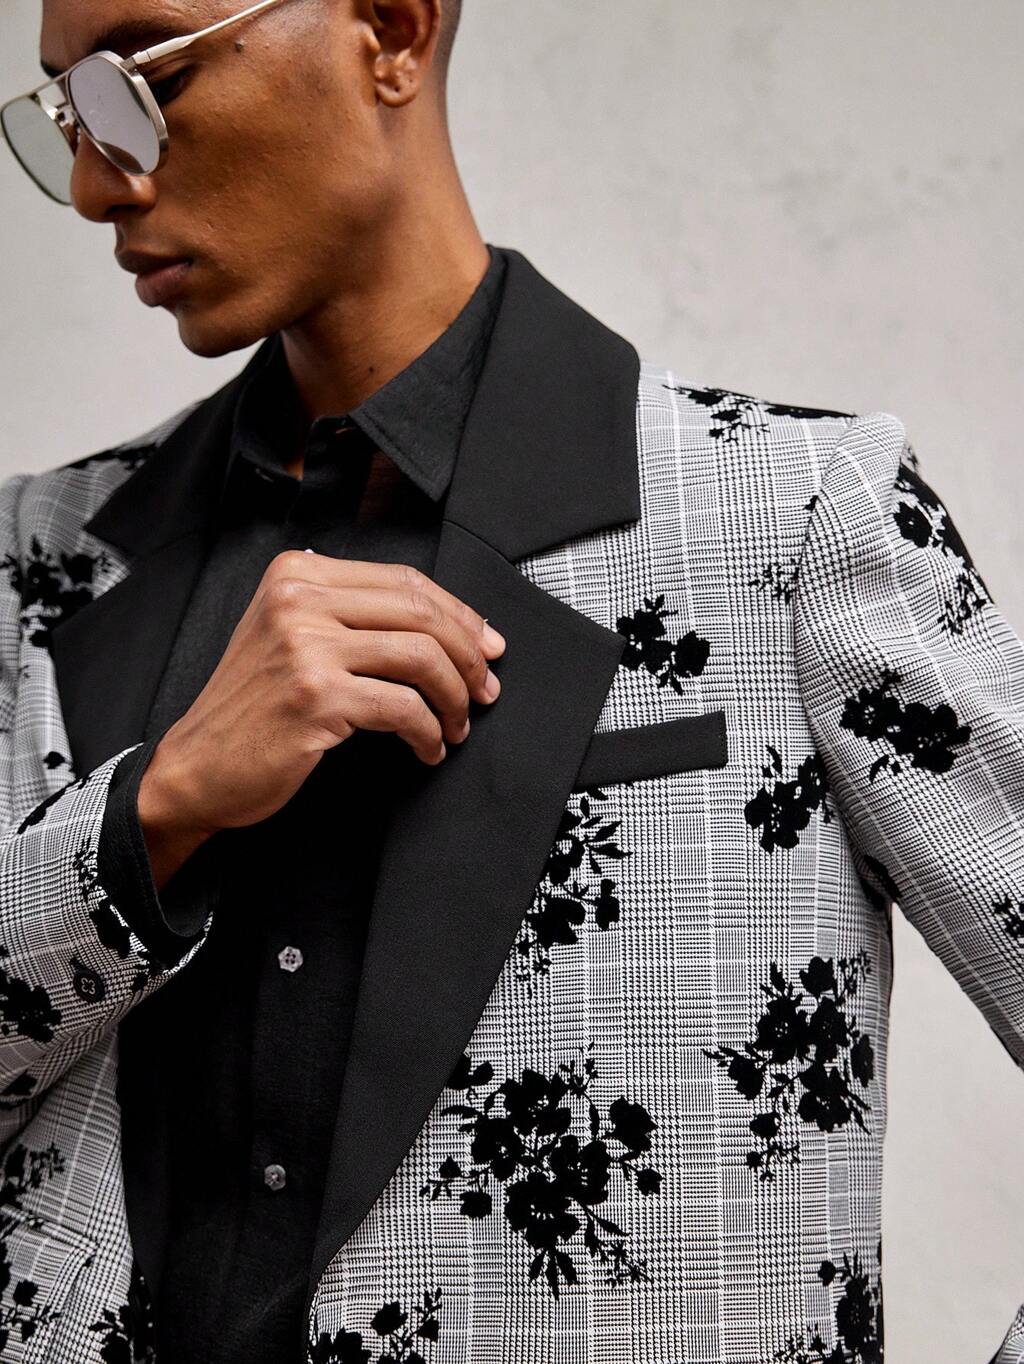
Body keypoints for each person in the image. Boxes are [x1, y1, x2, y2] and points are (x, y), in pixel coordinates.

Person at [0, 2, 1021, 1361]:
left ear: (389, 29)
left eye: (142, 80)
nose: (92, 186)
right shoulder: (42, 560)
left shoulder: (792, 521)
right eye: (64, 109)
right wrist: (154, 814)